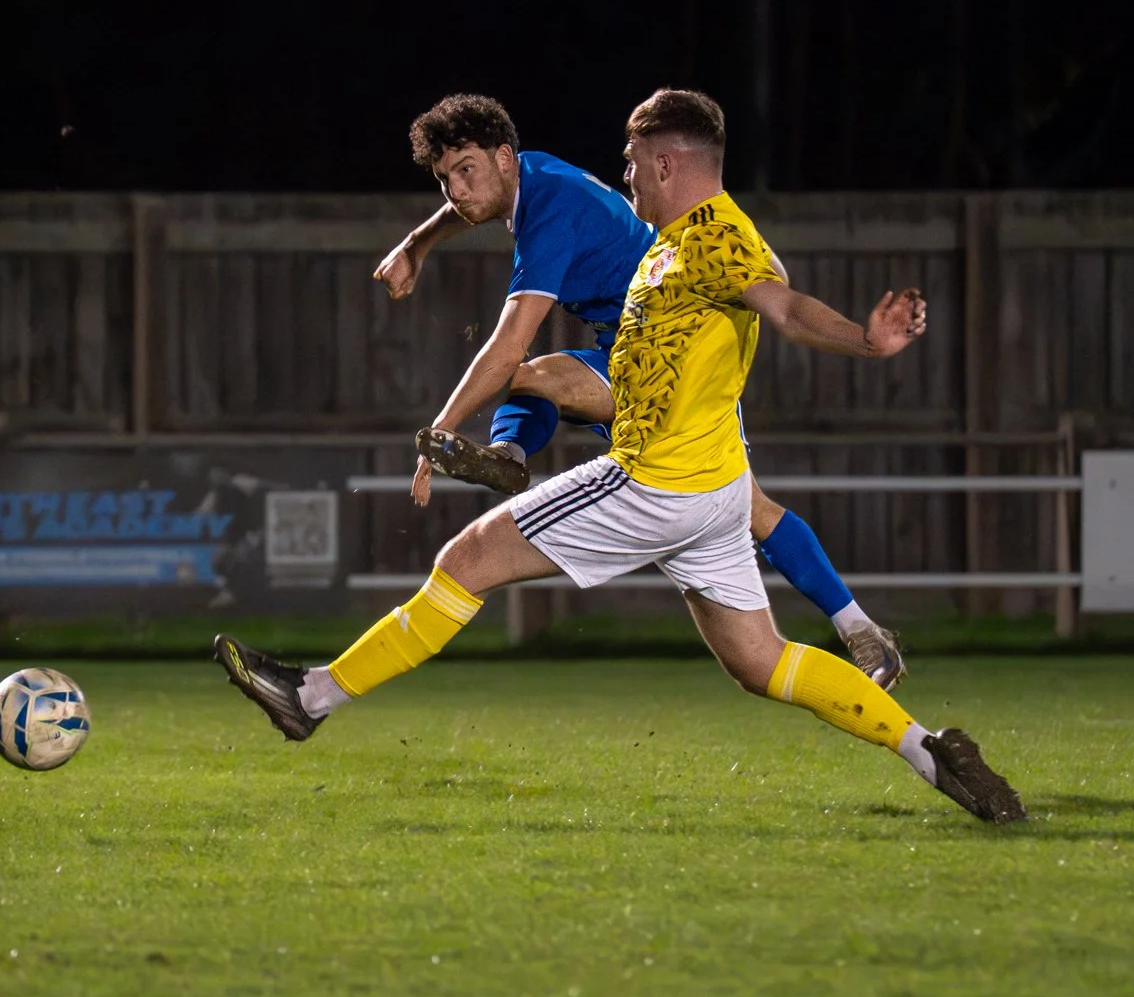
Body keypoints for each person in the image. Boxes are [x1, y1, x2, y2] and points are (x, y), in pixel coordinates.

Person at [217, 89, 1025, 825]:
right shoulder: (672, 241)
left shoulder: (717, 241)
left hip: (652, 481)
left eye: (634, 163)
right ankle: (932, 749)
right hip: (710, 491)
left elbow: (783, 305)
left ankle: (312, 695)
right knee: (761, 660)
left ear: (667, 164)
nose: (625, 175)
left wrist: (865, 339)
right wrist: (422, 241)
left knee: (464, 558)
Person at [369, 93, 907, 688]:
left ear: (503, 157)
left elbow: (505, 347)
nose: (456, 191)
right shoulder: (531, 172)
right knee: (755, 513)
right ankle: (861, 630)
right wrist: (415, 245)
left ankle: (511, 455)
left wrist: (441, 430)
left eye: (464, 171)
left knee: (519, 370)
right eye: (445, 179)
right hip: (639, 355)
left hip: (662, 363)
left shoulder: (554, 213)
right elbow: (469, 204)